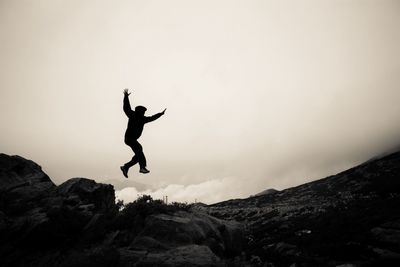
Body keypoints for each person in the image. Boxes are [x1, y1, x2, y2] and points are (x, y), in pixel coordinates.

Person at [120, 89, 166, 177]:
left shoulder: (143, 119)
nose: (144, 113)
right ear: (140, 111)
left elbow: (152, 118)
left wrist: (160, 114)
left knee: (138, 155)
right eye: (143, 112)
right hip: (129, 138)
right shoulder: (133, 115)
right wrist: (125, 97)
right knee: (139, 149)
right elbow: (126, 107)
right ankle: (142, 167)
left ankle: (126, 167)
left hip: (132, 139)